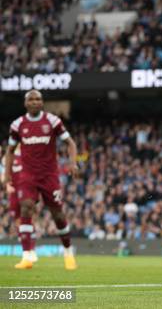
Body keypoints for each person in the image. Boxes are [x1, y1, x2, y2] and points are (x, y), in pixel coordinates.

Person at [3, 90, 78, 270]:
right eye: (32, 99)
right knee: (26, 207)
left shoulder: (52, 121)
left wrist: (73, 163)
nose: (35, 102)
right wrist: (7, 176)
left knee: (57, 215)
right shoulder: (17, 125)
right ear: (26, 103)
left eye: (38, 99)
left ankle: (68, 252)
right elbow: (10, 151)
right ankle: (27, 256)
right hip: (27, 176)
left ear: (42, 102)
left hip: (49, 175)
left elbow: (71, 143)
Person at [2, 145, 39, 264]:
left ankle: (31, 250)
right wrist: (7, 185)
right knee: (17, 219)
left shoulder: (28, 155)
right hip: (13, 191)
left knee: (27, 218)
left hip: (26, 189)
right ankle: (27, 246)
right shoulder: (7, 158)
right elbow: (4, 174)